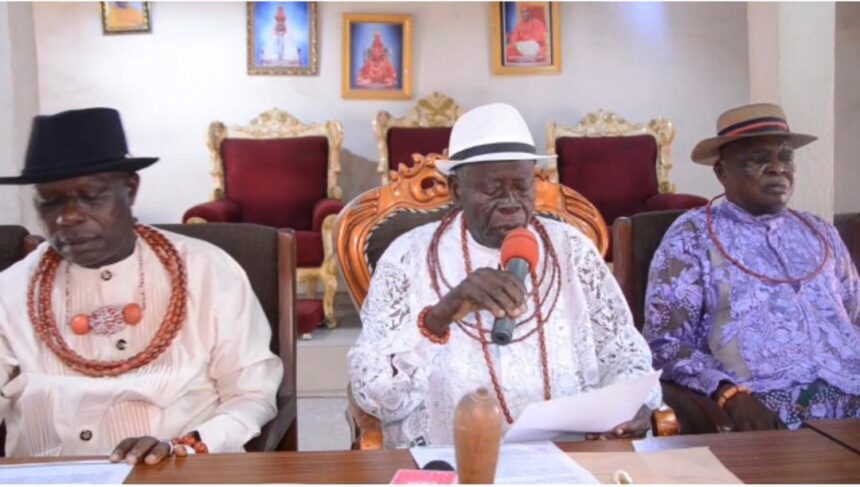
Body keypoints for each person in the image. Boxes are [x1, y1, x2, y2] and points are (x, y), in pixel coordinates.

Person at [348, 103, 661, 448]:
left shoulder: (572, 249)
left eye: (522, 187)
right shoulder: (407, 256)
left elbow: (626, 356)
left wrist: (634, 406)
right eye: (493, 189)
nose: (512, 202)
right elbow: (375, 396)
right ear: (456, 190)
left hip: (565, 453)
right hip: (451, 455)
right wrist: (440, 316)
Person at [0, 108, 283, 461]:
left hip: (177, 473)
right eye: (51, 201)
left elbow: (251, 395)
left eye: (91, 196)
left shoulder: (208, 272)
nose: (68, 216)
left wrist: (184, 446)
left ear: (130, 189)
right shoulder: (12, 289)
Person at [643, 103, 860, 431]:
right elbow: (665, 344)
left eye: (786, 157)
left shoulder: (821, 232)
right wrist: (728, 394)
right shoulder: (692, 236)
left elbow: (854, 316)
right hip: (767, 408)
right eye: (759, 159)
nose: (778, 168)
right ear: (721, 172)